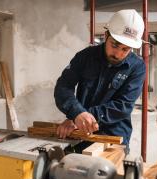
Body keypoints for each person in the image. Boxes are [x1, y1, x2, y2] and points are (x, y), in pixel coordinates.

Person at [54, 9, 146, 150]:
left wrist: (81, 117)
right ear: (105, 35)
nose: (118, 54)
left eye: (125, 49)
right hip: (80, 133)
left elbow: (123, 106)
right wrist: (76, 113)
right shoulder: (84, 57)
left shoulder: (137, 67)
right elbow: (63, 87)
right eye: (114, 45)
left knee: (106, 169)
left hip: (114, 135)